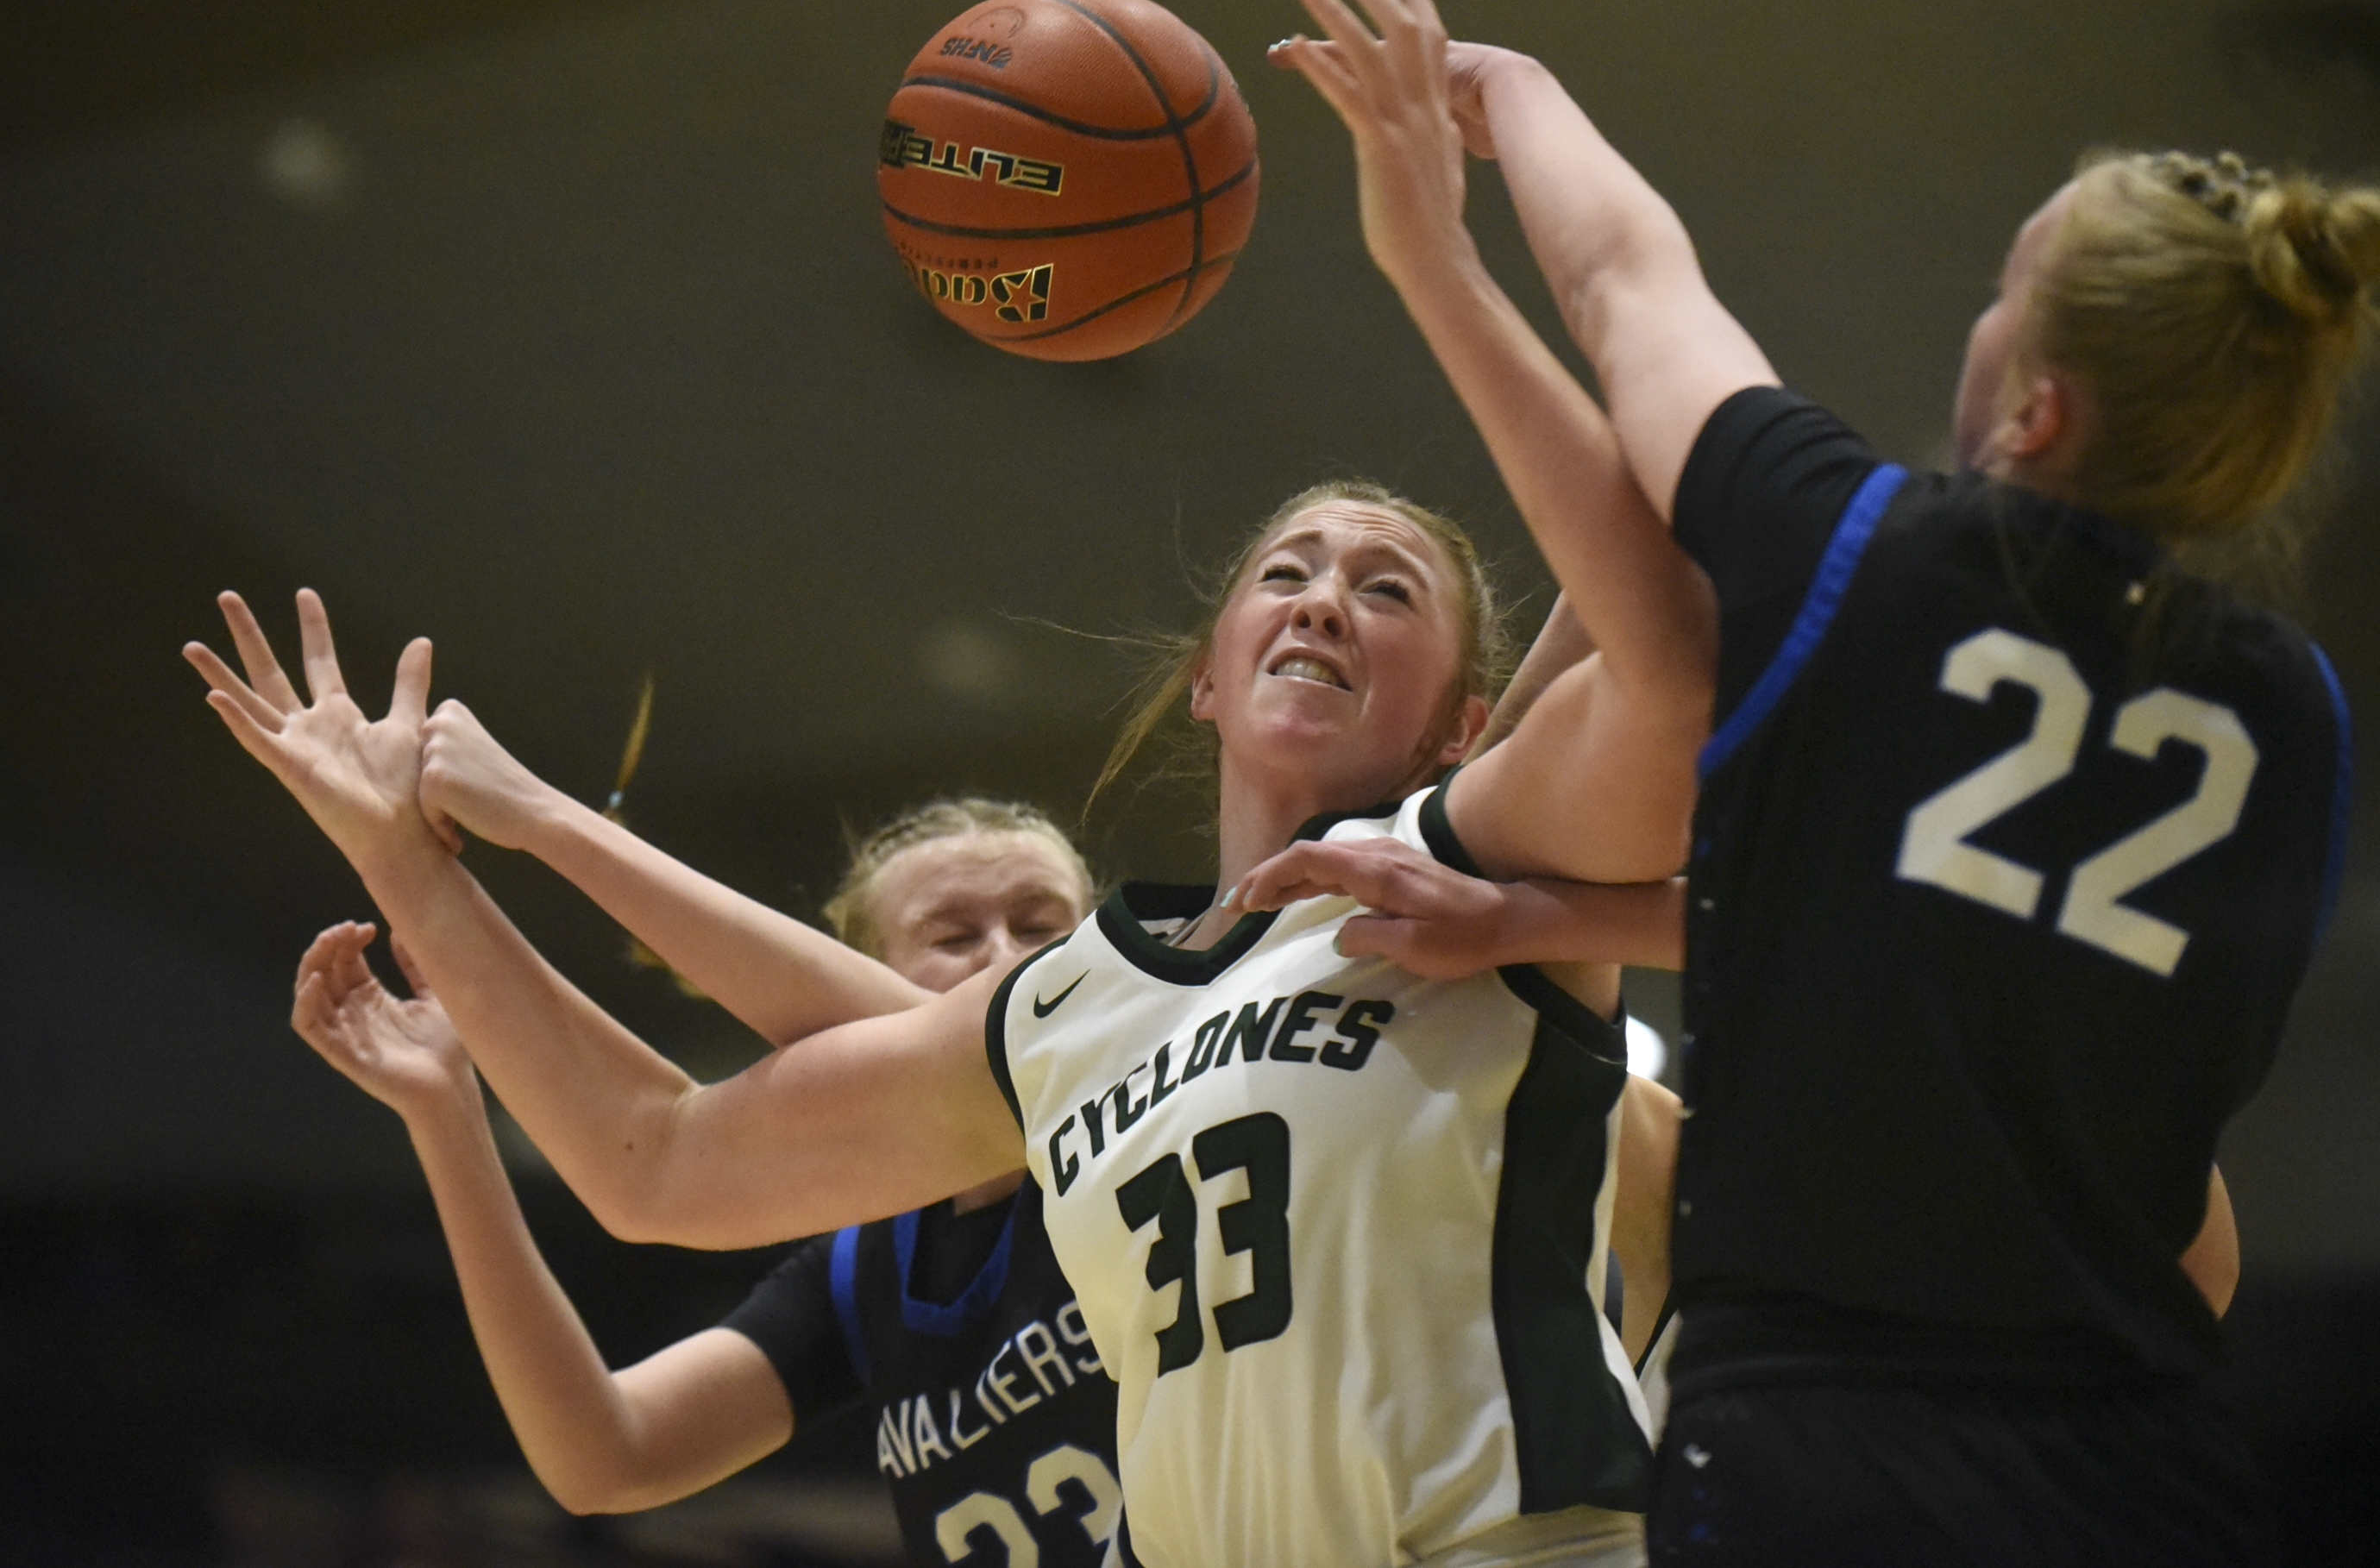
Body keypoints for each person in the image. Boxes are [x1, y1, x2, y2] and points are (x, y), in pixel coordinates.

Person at [184, 121, 1715, 1560]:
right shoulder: (1080, 1011)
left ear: (1461, 722)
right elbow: (656, 1159)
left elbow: (1659, 649)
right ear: (1203, 673)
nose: (1322, 596)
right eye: (1288, 571)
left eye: (1385, 591)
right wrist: (405, 859)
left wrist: (1481, 275)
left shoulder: (1467, 868)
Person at [1272, 0, 2376, 1566]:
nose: (1981, 316)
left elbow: (1628, 287)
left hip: (1830, 1443)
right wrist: (1529, 928)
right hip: (2143, 1461)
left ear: (2038, 406)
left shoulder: (1869, 553)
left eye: (2005, 290)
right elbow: (1906, 927)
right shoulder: (2297, 719)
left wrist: (1450, 206)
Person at [290, 794, 1125, 1565]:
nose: (1003, 961)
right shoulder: (863, 1268)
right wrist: (447, 1117)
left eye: (1040, 926)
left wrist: (518, 814)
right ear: (846, 971)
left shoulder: (1150, 1141)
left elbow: (1013, 1064)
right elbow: (605, 1458)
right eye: (952, 938)